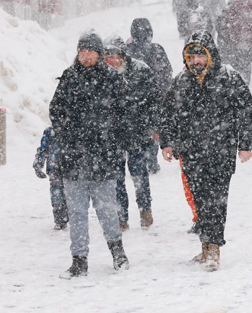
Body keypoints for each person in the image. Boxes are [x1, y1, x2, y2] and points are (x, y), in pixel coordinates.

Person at [159, 31, 252, 270]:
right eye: (191, 56)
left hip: (221, 151)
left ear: (210, 55)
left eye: (200, 55)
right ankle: (205, 247)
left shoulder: (229, 78)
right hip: (191, 153)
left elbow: (247, 111)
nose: (196, 61)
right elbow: (168, 113)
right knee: (200, 201)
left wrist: (245, 144)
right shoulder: (181, 81)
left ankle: (214, 248)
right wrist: (167, 142)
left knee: (216, 201)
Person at [49, 32, 129, 278]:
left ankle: (118, 253)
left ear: (99, 54)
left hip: (103, 159)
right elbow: (56, 111)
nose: (85, 57)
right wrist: (68, 135)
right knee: (77, 212)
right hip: (73, 159)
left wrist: (111, 141)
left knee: (106, 209)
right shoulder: (69, 78)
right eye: (82, 52)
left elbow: (124, 117)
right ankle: (79, 260)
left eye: (90, 52)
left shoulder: (113, 80)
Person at [105, 36, 161, 231]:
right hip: (113, 135)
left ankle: (145, 210)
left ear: (123, 55)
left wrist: (154, 126)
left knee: (139, 174)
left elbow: (154, 100)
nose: (112, 60)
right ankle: (121, 216)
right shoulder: (101, 74)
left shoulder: (141, 70)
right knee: (116, 178)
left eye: (115, 56)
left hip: (137, 131)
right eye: (108, 56)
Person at [127, 18, 173, 174]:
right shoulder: (157, 49)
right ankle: (151, 160)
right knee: (153, 127)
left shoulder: (128, 51)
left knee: (135, 129)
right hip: (154, 96)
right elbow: (166, 73)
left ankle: (137, 159)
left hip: (133, 99)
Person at [223, 0, 252, 84]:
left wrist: (230, 33)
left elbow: (228, 21)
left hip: (236, 39)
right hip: (250, 40)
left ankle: (237, 79)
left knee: (236, 61)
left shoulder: (234, 5)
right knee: (247, 61)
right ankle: (246, 80)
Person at [33, 126, 68, 230]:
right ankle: (60, 218)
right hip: (56, 169)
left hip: (70, 169)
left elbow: (42, 150)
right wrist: (38, 165)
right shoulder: (50, 132)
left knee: (67, 194)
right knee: (57, 195)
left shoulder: (73, 128)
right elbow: (42, 149)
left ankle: (65, 216)